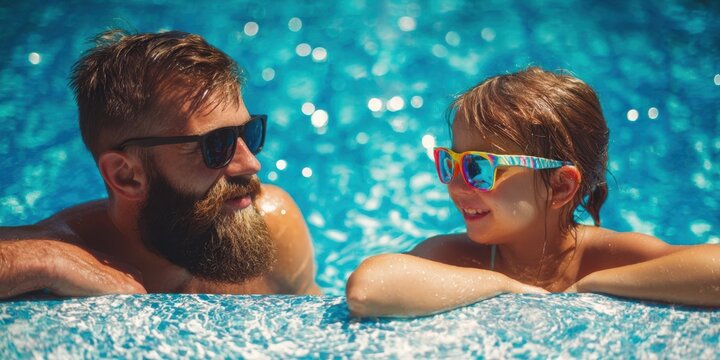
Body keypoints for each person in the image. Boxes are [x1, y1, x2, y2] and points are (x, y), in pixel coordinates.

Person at [346, 67, 720, 317]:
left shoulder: (601, 258)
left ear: (560, 186)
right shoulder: (462, 257)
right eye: (450, 162)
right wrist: (503, 285)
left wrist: (594, 284)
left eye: (479, 168)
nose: (457, 186)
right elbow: (367, 289)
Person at [0, 30, 321, 298]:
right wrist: (49, 260)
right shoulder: (66, 250)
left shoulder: (272, 225)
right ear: (126, 176)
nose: (251, 164)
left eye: (249, 133)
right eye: (216, 144)